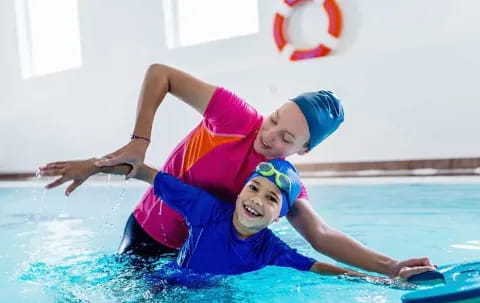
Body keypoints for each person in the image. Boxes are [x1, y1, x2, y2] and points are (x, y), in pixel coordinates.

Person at [39, 63, 434, 278]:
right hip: (145, 233)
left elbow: (322, 235)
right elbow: (161, 74)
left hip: (193, 256)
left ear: (304, 149)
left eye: (286, 137)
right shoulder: (234, 116)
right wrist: (134, 144)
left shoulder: (279, 182)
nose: (269, 135)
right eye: (274, 118)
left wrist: (391, 266)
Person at [132, 158, 426, 281]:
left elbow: (321, 268)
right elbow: (153, 176)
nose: (258, 200)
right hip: (169, 283)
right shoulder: (206, 210)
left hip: (215, 292)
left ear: (279, 217)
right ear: (240, 191)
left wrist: (385, 279)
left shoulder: (271, 249)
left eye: (272, 199)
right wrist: (95, 167)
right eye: (254, 188)